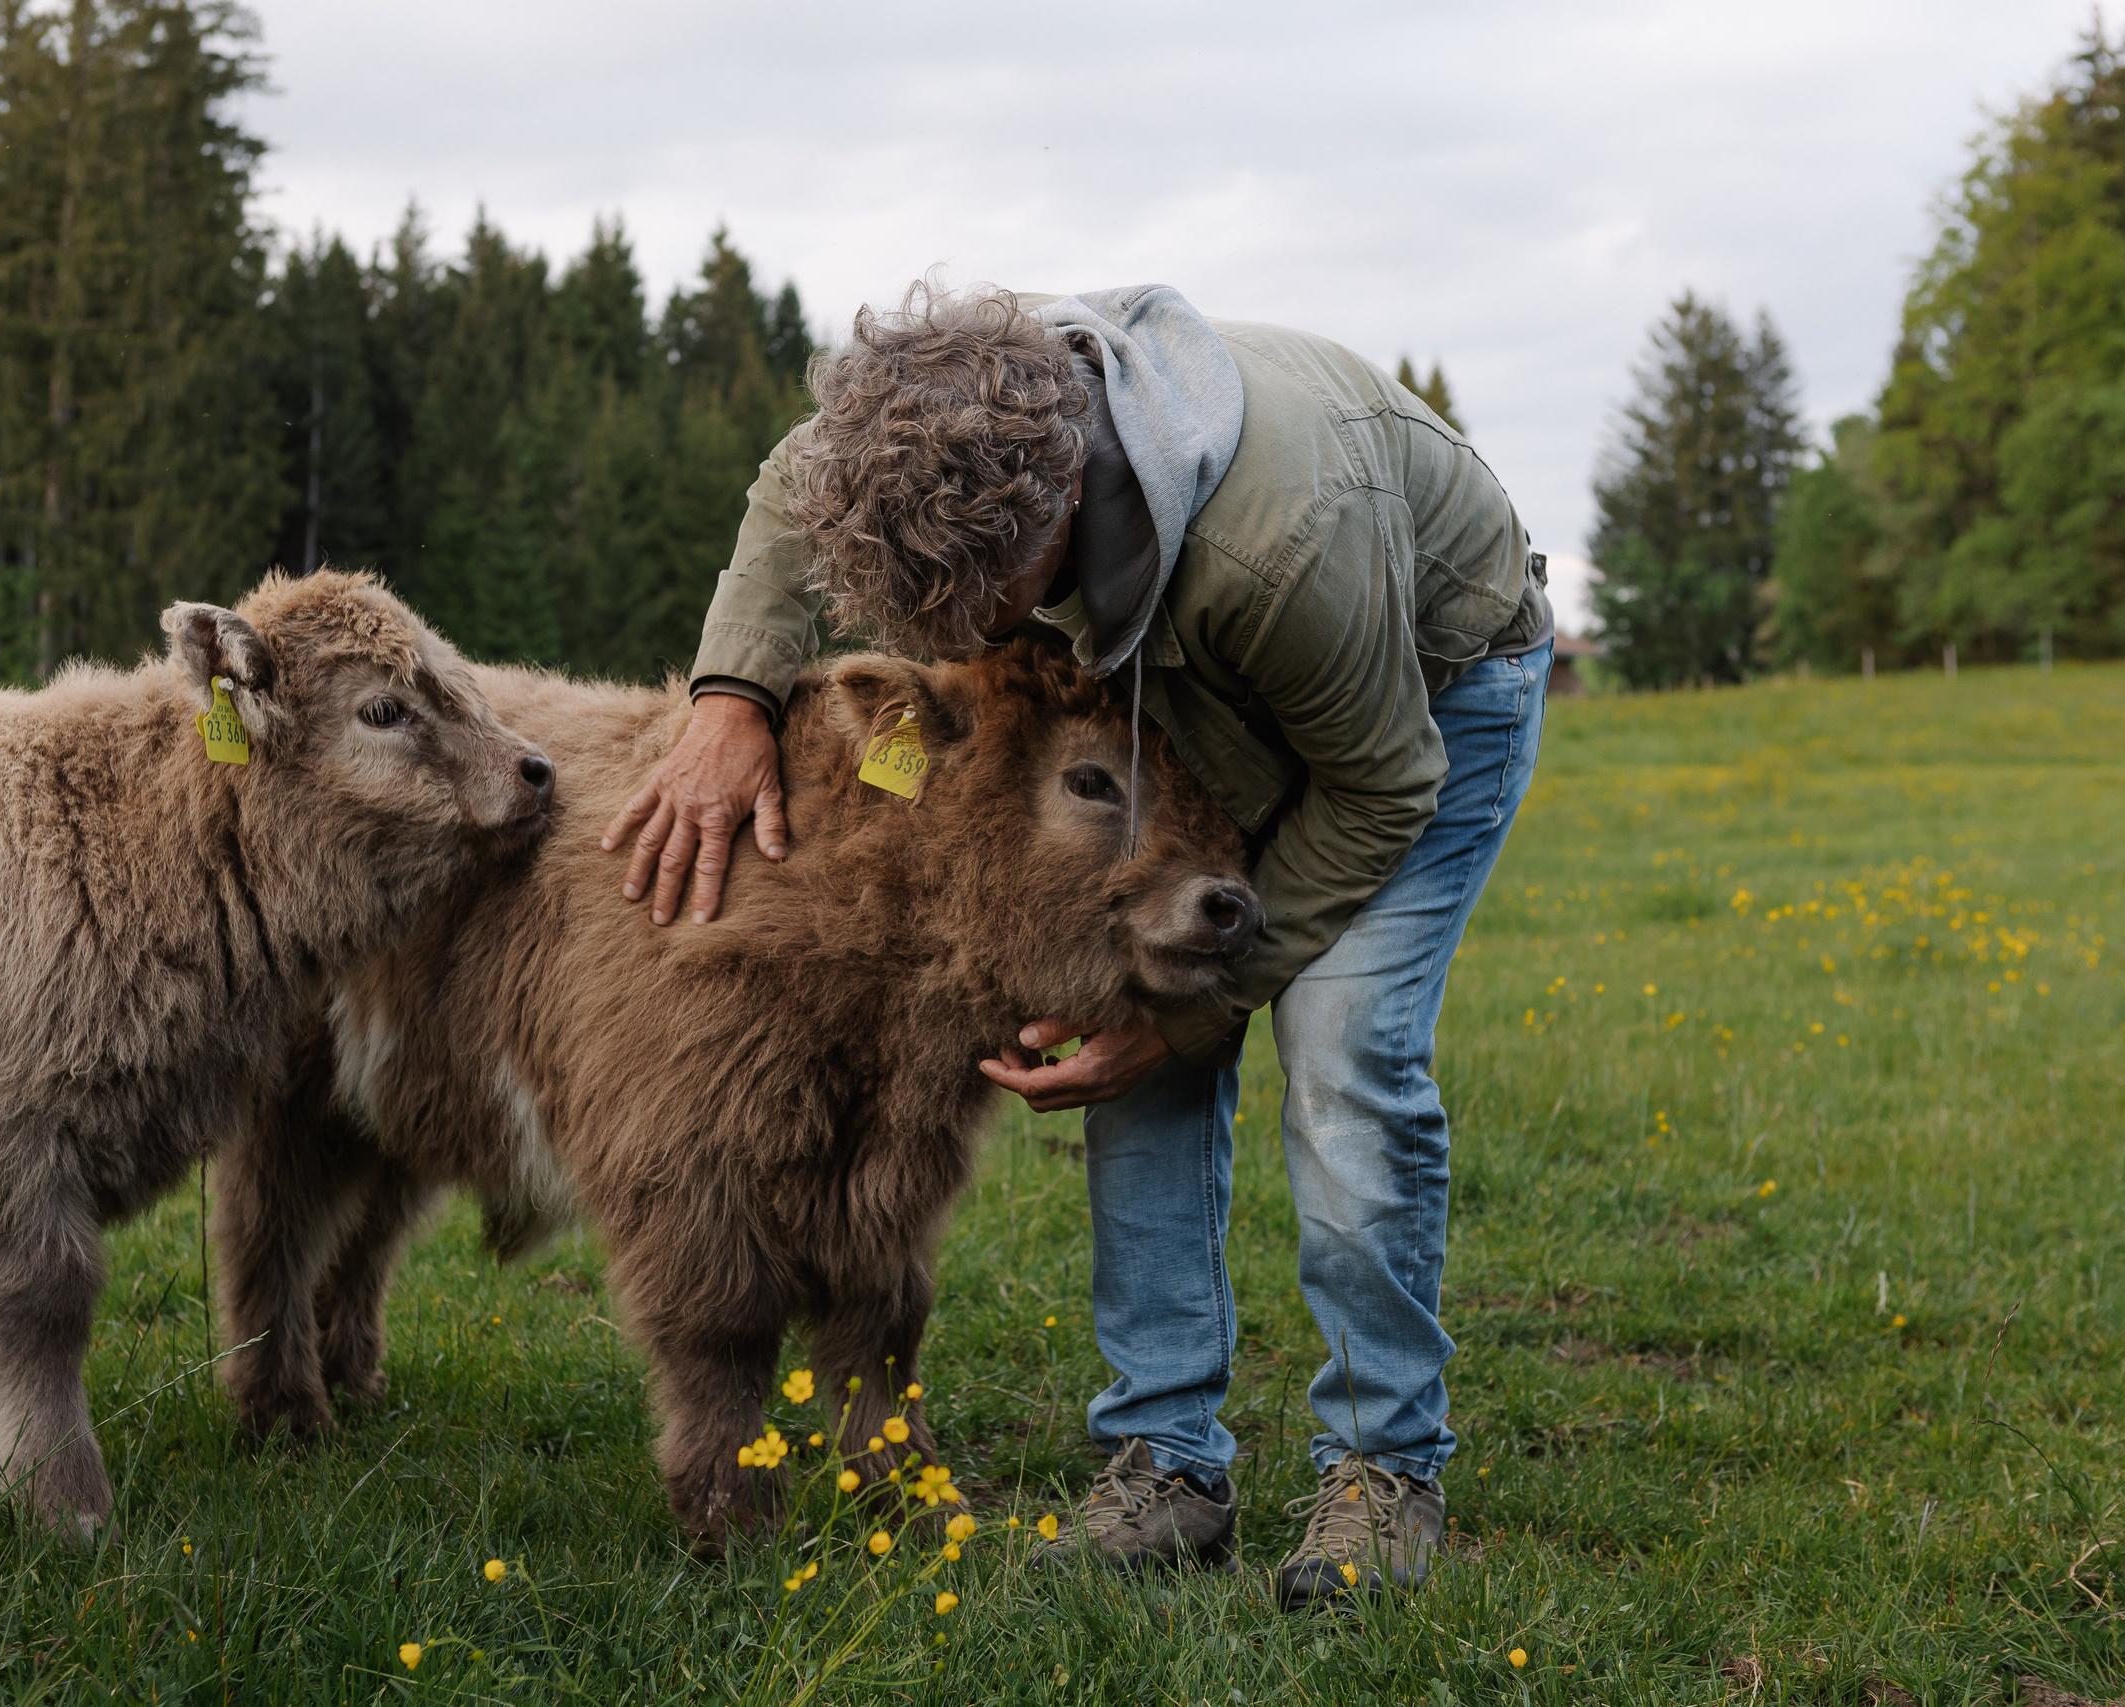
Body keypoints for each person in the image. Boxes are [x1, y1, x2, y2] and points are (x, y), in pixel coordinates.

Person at [602, 282, 1551, 1610]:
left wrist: (1201, 1010)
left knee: (1342, 1053)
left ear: (1053, 517)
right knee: (1131, 1033)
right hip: (1180, 686)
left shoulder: (1283, 551)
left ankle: (1382, 1467)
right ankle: (1167, 1462)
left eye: (975, 619)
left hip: (1424, 700)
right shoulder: (960, 414)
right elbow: (795, 473)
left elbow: (1381, 782)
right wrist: (730, 696)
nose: (959, 655)